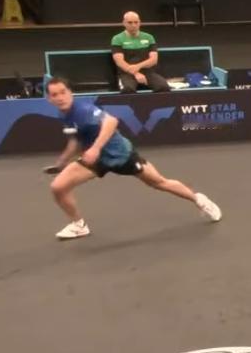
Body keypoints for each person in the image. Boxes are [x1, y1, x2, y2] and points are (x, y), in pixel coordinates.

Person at [43, 76, 221, 240]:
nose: (60, 97)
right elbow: (75, 139)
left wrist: (95, 148)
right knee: (58, 187)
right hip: (96, 160)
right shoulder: (63, 114)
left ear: (70, 92)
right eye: (54, 95)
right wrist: (62, 162)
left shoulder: (84, 110)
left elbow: (111, 122)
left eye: (63, 92)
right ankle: (79, 225)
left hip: (121, 155)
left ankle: (198, 200)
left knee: (159, 182)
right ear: (49, 99)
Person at [111, 11, 170, 93]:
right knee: (127, 89)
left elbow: (154, 60)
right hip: (127, 73)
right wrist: (136, 73)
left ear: (140, 23)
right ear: (124, 23)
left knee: (163, 87)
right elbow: (119, 62)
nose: (133, 25)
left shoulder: (149, 37)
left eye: (136, 22)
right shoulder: (117, 39)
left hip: (148, 72)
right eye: (130, 22)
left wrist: (138, 66)